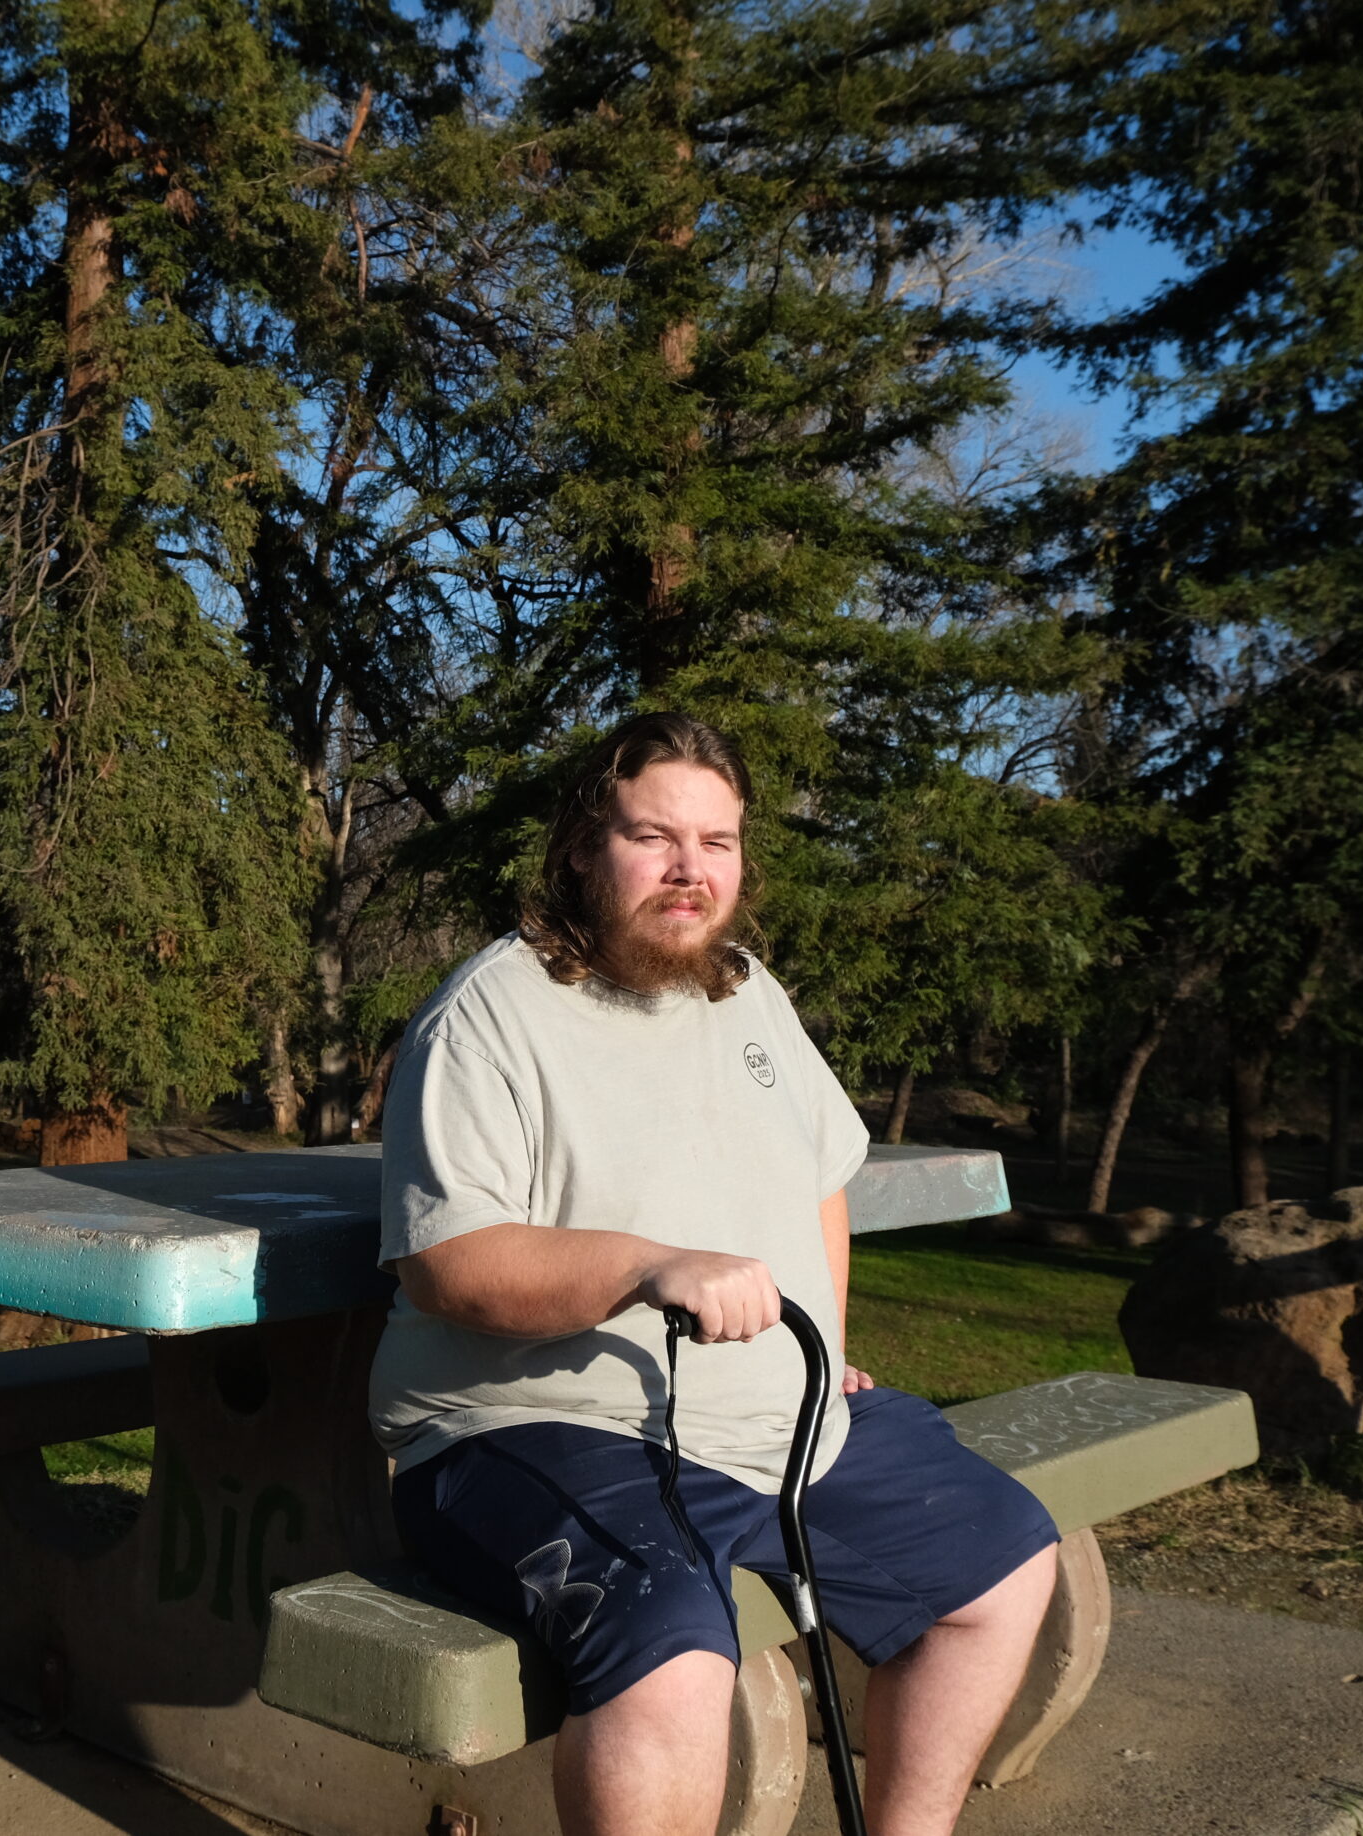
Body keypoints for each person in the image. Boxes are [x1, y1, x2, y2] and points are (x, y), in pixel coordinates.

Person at [369, 712, 1060, 1836]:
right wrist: (649, 1267)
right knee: (674, 1662)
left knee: (1003, 1563)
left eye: (718, 843)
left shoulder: (745, 993)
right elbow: (449, 1265)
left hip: (767, 1424)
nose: (690, 869)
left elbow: (823, 1181)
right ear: (583, 847)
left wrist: (828, 1346)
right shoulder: (489, 1014)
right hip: (530, 1425)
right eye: (654, 836)